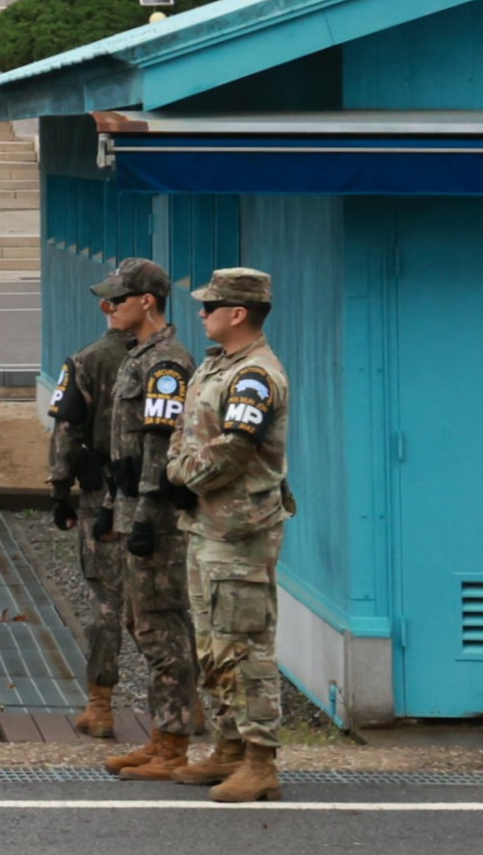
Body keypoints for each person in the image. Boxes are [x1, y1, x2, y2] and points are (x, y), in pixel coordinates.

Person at [169, 268, 294, 804]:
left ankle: (260, 762)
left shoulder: (255, 377)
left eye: (210, 306)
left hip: (240, 531)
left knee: (244, 645)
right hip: (208, 525)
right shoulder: (217, 366)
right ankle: (229, 746)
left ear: (237, 313)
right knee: (212, 644)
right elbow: (184, 430)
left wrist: (181, 476)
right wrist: (178, 468)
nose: (201, 314)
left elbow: (235, 449)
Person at [97, 258, 202, 781]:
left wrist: (141, 517)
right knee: (144, 625)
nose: (108, 307)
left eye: (118, 298)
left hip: (156, 516)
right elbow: (128, 452)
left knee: (163, 629)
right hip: (133, 506)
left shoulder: (166, 363)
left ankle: (174, 746)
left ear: (147, 301)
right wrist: (110, 507)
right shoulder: (138, 355)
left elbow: (160, 449)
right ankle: (162, 737)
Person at [48, 261, 150, 739]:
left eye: (112, 299)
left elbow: (67, 430)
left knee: (105, 602)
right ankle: (186, 704)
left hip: (100, 491)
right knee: (157, 603)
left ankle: (101, 704)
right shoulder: (174, 360)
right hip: (153, 494)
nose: (108, 306)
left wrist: (59, 490)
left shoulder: (86, 361)